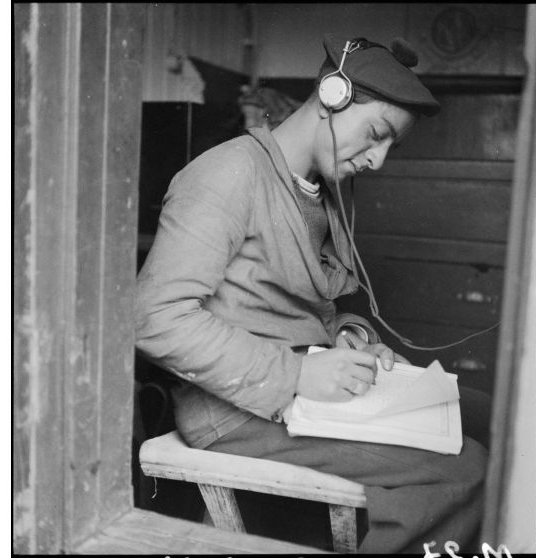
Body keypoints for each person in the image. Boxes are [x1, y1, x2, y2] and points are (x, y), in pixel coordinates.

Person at [135, 33, 488, 554]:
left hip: (306, 383)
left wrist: (348, 335)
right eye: (375, 134)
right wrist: (298, 372)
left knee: (488, 413)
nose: (379, 160)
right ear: (331, 95)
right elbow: (153, 317)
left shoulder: (322, 190)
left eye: (391, 145)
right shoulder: (227, 174)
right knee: (471, 468)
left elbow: (321, 296)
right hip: (235, 407)